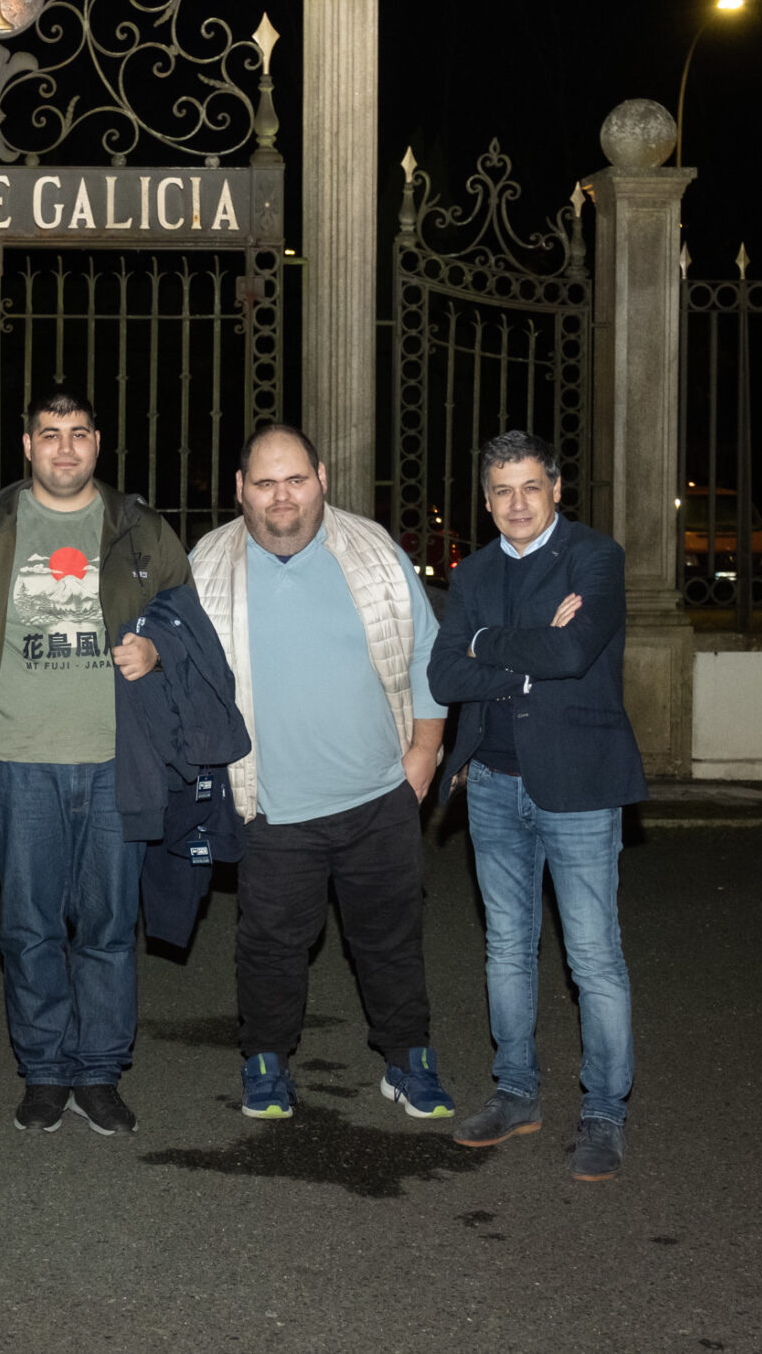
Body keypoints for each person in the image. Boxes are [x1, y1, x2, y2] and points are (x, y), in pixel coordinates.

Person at [174, 424, 455, 1123]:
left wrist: (425, 751)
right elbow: (180, 676)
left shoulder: (373, 550)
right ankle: (265, 1062)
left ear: (321, 478)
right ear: (240, 489)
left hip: (379, 797)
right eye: (265, 482)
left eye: (296, 479)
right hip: (272, 808)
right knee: (270, 946)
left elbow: (425, 651)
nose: (282, 496)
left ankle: (409, 1060)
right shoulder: (208, 563)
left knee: (392, 941)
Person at [0, 386, 188, 1137]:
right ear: (28, 445)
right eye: (50, 433)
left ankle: (99, 1072)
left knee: (108, 926)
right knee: (30, 926)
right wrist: (0, 685)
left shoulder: (140, 529)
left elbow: (188, 621)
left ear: (97, 443)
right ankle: (44, 1069)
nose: (66, 447)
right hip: (20, 761)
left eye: (79, 433)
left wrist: (158, 650)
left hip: (116, 760)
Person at [429, 429, 646, 1183]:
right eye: (501, 491)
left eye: (530, 487)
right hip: (491, 783)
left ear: (555, 488)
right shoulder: (474, 571)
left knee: (593, 956)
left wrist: (488, 645)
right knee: (506, 949)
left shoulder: (595, 557)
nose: (516, 503)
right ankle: (515, 1091)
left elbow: (574, 652)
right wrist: (521, 655)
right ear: (486, 500)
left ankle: (605, 1112)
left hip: (578, 786)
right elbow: (445, 674)